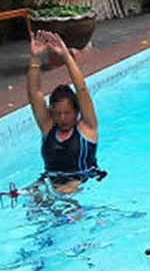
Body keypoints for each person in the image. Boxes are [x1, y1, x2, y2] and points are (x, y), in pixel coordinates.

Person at [26, 30, 101, 194]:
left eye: (67, 113)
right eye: (58, 113)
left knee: (65, 195)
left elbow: (82, 90)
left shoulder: (87, 128)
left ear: (76, 111)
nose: (62, 118)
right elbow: (34, 94)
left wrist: (66, 57)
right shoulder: (48, 127)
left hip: (82, 183)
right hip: (50, 181)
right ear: (51, 113)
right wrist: (35, 58)